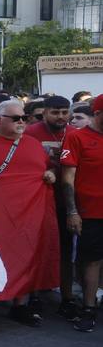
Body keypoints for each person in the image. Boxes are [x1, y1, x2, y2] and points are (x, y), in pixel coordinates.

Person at [0, 99, 55, 329]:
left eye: (24, 118)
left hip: (29, 215)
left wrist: (51, 174)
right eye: (16, 118)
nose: (22, 122)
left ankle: (20, 305)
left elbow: (46, 167)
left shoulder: (33, 144)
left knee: (25, 255)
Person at [61, 95, 103, 333]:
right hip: (91, 212)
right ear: (97, 114)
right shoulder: (77, 137)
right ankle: (88, 308)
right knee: (91, 261)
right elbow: (68, 178)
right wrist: (72, 211)